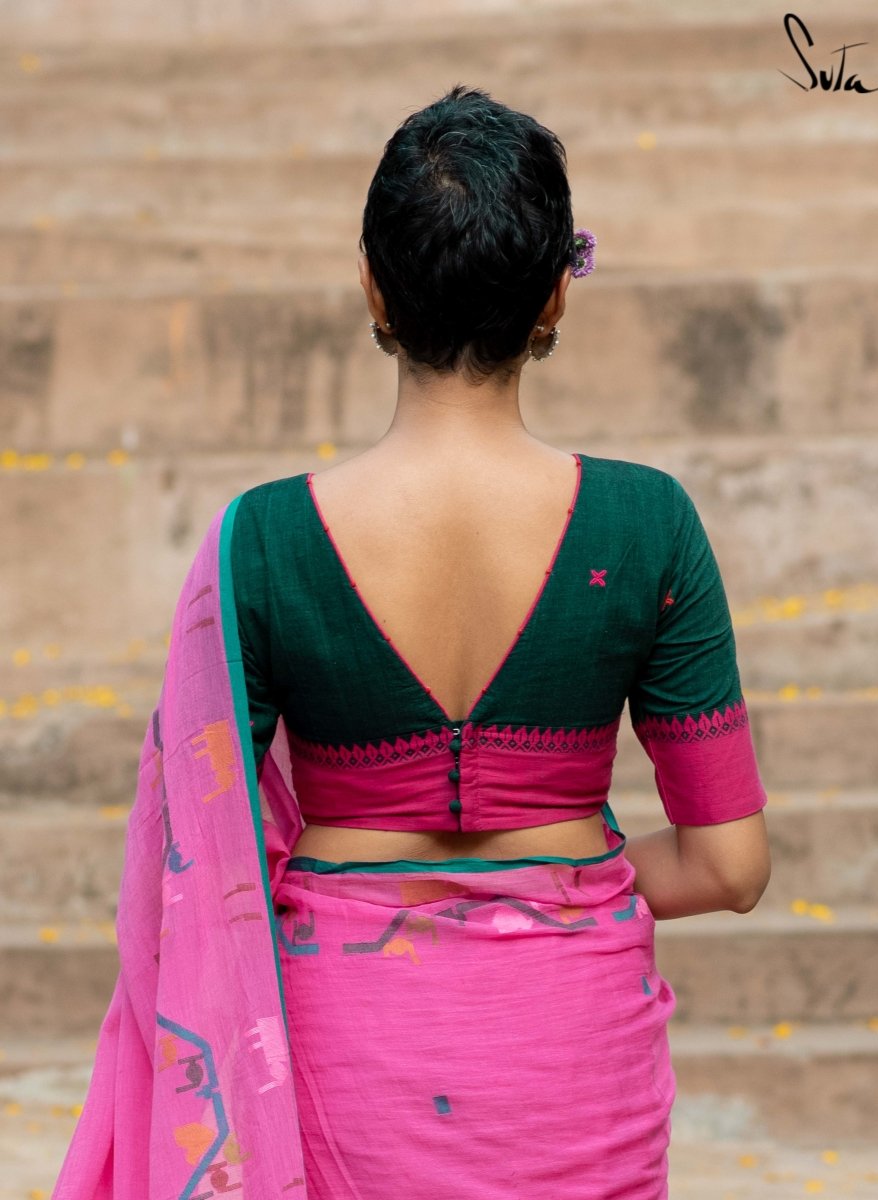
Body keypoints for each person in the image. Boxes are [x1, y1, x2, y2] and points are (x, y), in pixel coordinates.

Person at [52, 85, 770, 1200]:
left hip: (346, 1050)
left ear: (373, 286)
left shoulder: (262, 542)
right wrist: (556, 873)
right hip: (573, 1053)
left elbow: (203, 854)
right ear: (552, 300)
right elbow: (730, 865)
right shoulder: (650, 525)